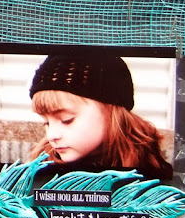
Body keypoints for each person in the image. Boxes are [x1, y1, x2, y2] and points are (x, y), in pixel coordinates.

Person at [28, 53, 173, 179]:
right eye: (46, 122)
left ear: (111, 113)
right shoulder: (40, 170)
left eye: (67, 120)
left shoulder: (152, 175)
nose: (52, 136)